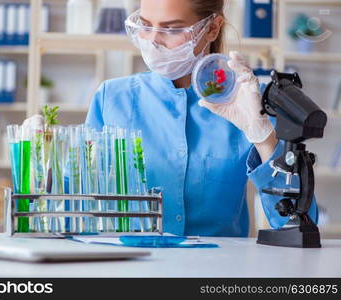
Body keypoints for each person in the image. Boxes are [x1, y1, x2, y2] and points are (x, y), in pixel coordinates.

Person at [85, 0, 318, 236]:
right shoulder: (112, 98)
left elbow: (298, 226)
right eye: (145, 26)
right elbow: (82, 205)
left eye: (173, 29)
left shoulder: (243, 103)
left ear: (212, 28)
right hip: (132, 267)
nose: (153, 40)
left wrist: (263, 137)